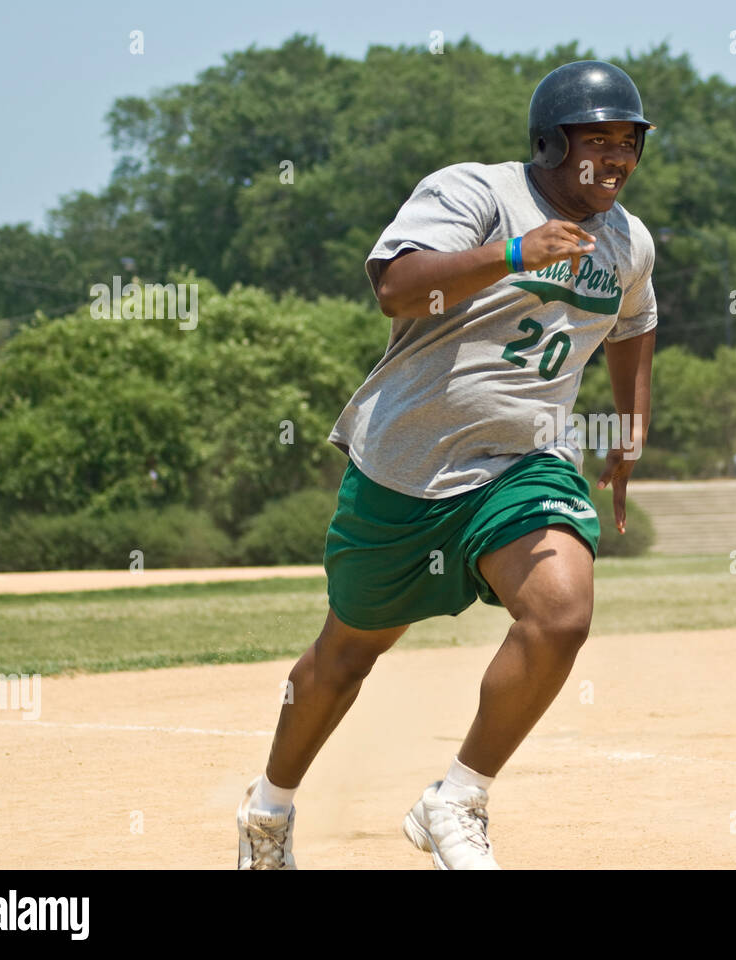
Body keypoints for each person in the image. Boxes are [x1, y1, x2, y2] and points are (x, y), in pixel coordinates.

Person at [236, 60, 658, 870]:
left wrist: (630, 434)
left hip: (524, 462)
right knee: (345, 657)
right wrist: (514, 252)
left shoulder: (628, 242)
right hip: (407, 467)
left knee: (561, 615)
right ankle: (268, 809)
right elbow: (396, 287)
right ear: (550, 141)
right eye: (596, 139)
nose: (615, 156)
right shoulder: (476, 192)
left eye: (628, 142)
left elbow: (634, 325)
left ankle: (456, 797)